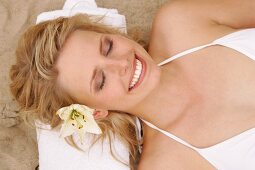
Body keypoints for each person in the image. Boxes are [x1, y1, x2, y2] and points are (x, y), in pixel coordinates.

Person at [10, 0, 255, 169]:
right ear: (95, 112)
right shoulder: (168, 165)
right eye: (101, 80)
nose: (121, 64)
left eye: (107, 46)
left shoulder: (179, 22)